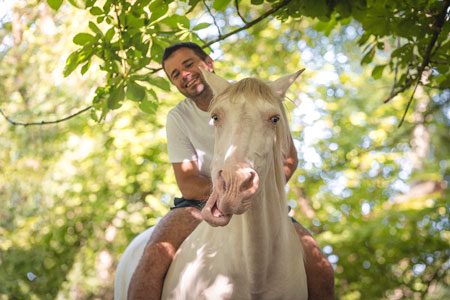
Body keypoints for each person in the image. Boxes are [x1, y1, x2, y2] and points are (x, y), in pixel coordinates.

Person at [127, 42, 335, 300]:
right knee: (154, 255)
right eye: (175, 75)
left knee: (321, 269)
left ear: (209, 64)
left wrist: (252, 189)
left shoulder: (256, 99)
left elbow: (288, 157)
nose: (184, 75)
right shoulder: (177, 118)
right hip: (198, 204)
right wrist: (225, 190)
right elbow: (188, 183)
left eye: (188, 64)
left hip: (261, 200)